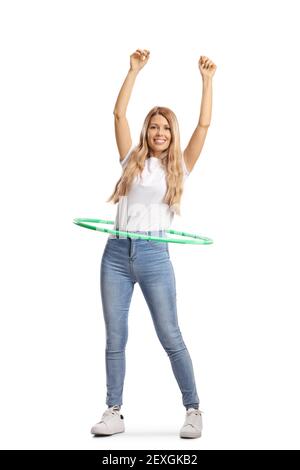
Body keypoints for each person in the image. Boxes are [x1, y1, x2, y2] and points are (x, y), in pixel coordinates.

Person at [91, 49, 216, 439]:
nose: (159, 132)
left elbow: (204, 126)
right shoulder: (130, 158)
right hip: (115, 253)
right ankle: (113, 410)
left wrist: (207, 80)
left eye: (165, 128)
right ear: (147, 131)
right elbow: (117, 115)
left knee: (170, 334)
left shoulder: (178, 166)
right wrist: (132, 71)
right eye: (154, 126)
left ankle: (193, 409)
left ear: (171, 134)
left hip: (154, 255)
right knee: (115, 335)